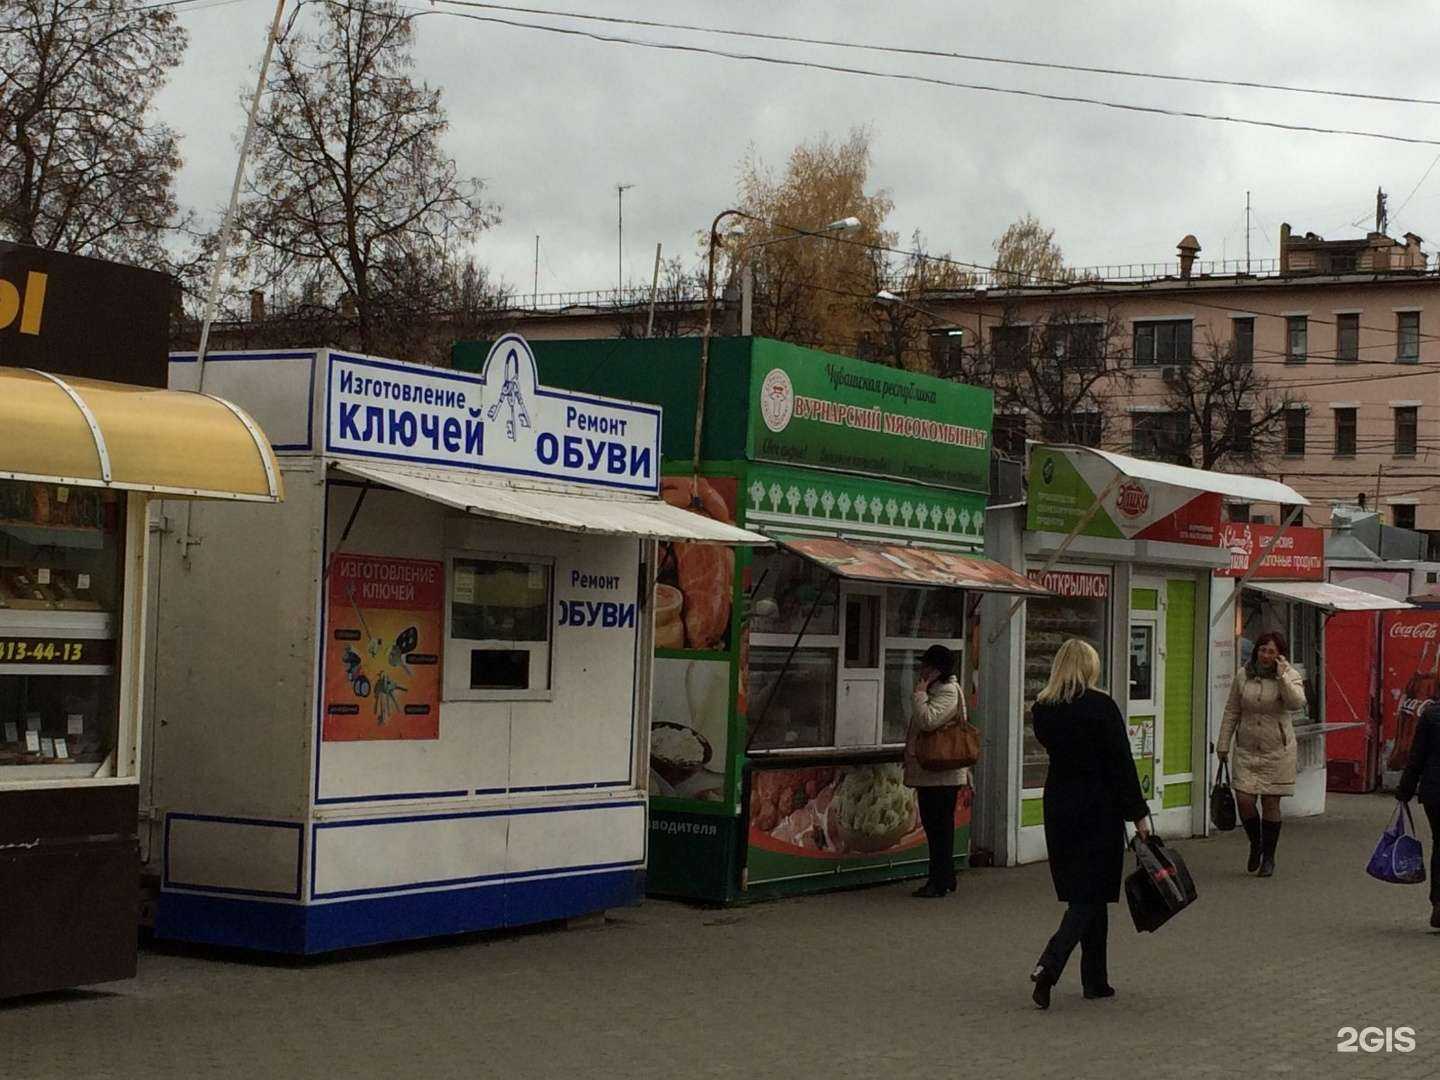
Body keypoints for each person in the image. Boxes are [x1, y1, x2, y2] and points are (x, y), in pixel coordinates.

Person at [1028, 639, 1151, 1010]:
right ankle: (1049, 964)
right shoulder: (1101, 707)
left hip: (1060, 805)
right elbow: (1120, 763)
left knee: (1089, 892)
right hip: (1098, 807)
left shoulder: (1043, 708)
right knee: (1090, 894)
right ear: (1089, 667)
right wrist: (1139, 814)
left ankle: (1096, 980)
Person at [1216, 630, 1306, 878]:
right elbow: (1232, 709)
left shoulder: (1289, 675)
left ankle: (1269, 856)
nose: (1265, 655)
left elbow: (1297, 703)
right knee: (1244, 799)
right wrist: (1223, 743)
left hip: (1277, 750)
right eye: (1262, 650)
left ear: (1279, 656)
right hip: (1246, 748)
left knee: (1270, 802)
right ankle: (1255, 843)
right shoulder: (1244, 675)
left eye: (1271, 652)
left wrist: (1282, 677)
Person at [903, 644, 966, 899]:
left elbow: (928, 721)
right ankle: (945, 875)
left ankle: (937, 881)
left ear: (938, 670)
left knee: (938, 827)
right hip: (933, 772)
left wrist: (919, 694)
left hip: (942, 772)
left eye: (926, 666)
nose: (922, 670)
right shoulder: (938, 689)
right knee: (937, 827)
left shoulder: (948, 691)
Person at [1396, 699, 1440, 929]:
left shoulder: (1431, 715)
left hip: (1434, 791)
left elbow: (1417, 756)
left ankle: (1439, 903)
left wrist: (1405, 789)